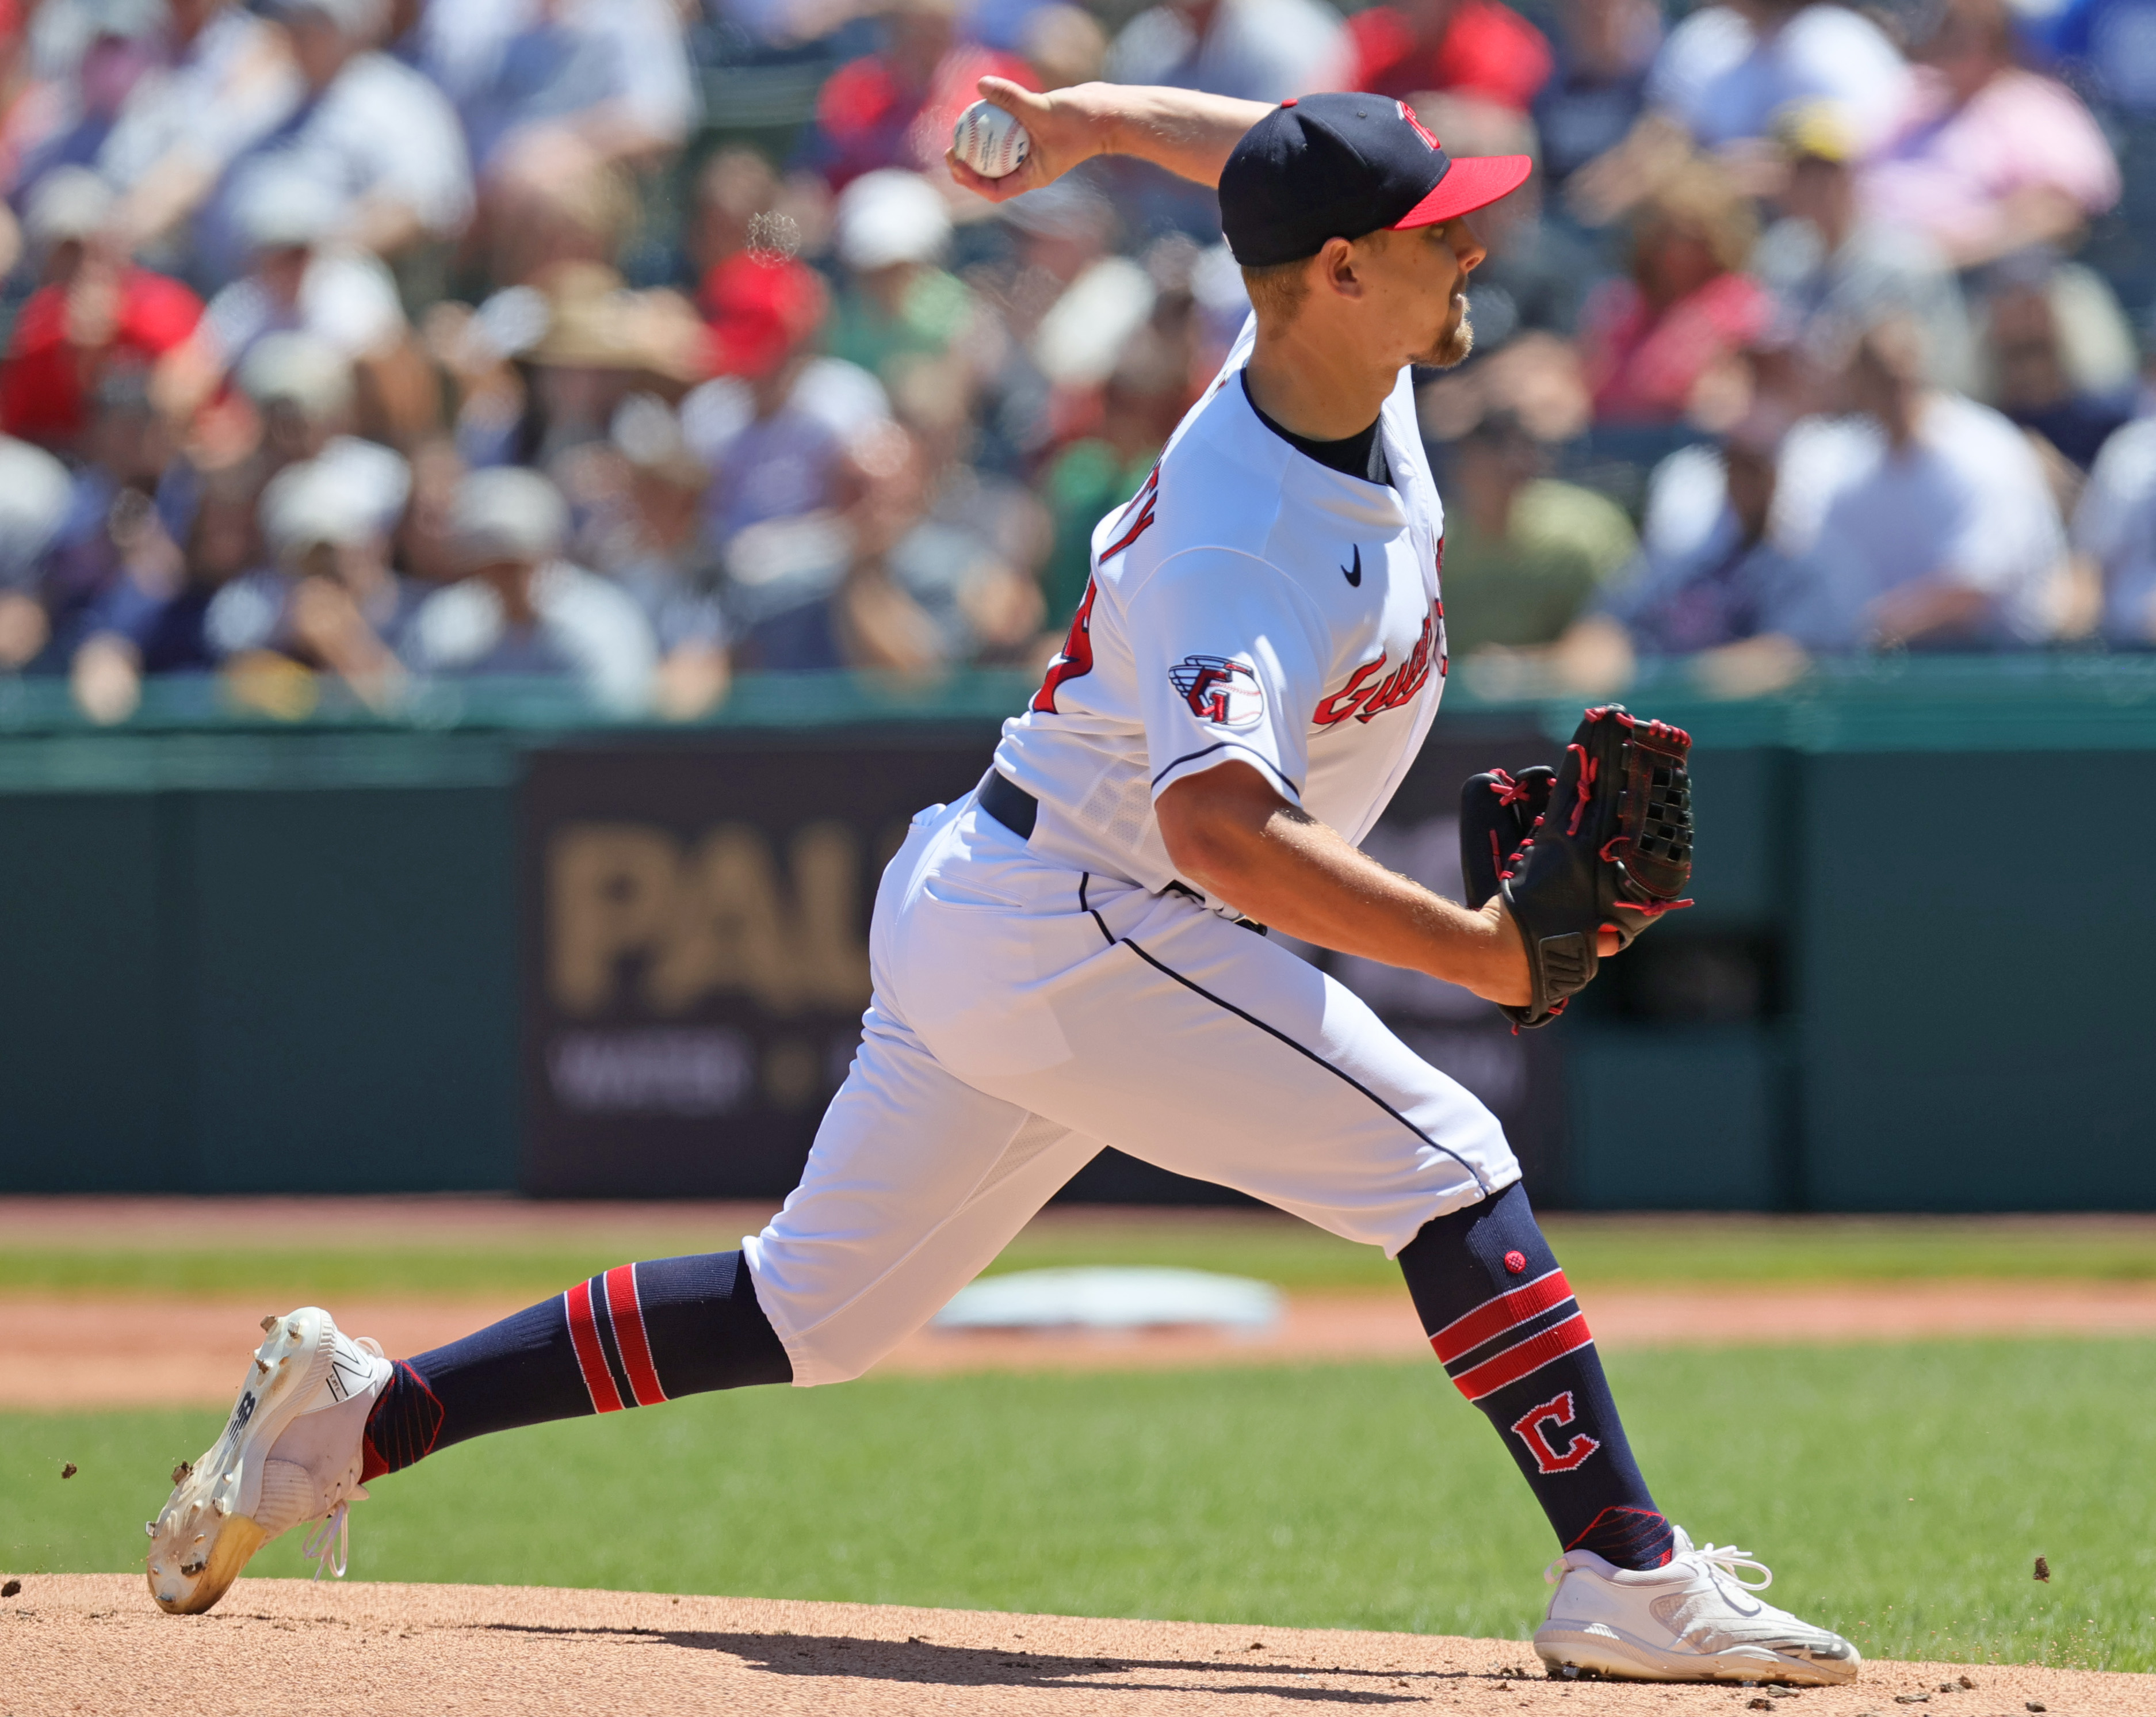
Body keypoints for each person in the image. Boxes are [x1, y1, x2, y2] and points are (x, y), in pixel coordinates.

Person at [147, 81, 1861, 1692]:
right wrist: (1483, 960)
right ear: (1340, 271)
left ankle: (356, 1419)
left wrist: (1089, 121)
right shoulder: (1238, 537)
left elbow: (1264, 153)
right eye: (1437, 230)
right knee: (1447, 1159)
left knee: (808, 1309)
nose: (1471, 246)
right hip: (1095, 911)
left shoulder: (1349, 356)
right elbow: (1220, 835)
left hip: (1009, 889)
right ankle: (1622, 1573)